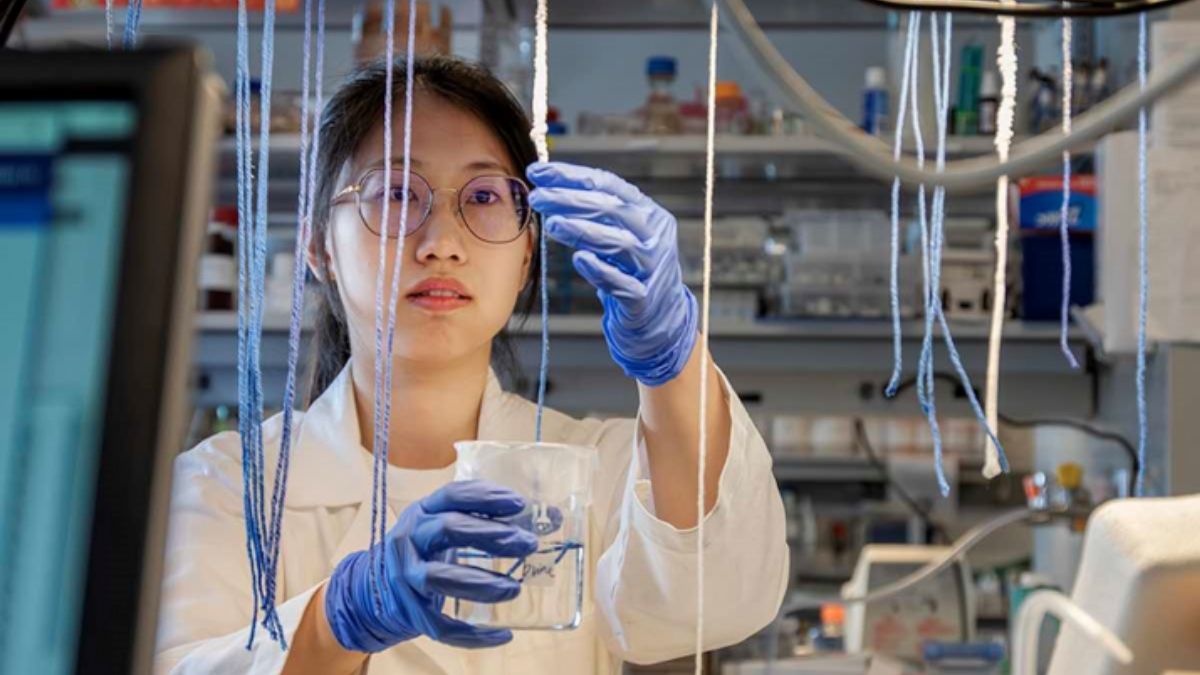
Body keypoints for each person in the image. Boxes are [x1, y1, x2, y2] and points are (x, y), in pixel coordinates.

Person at [154, 55, 788, 675]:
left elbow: (714, 602)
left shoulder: (595, 470)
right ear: (319, 246)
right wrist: (338, 617)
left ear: (526, 257)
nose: (442, 245)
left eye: (484, 196)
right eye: (397, 192)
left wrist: (672, 364)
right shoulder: (226, 488)